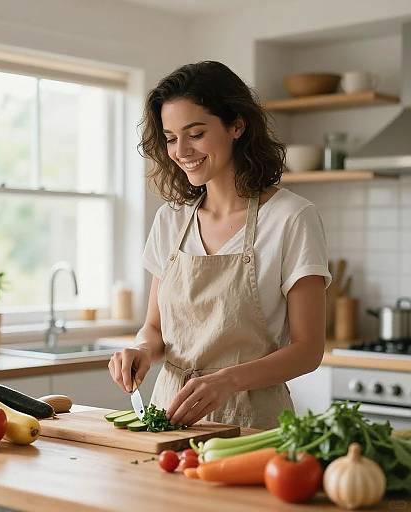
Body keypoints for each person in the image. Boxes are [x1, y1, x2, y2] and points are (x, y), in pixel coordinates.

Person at [108, 61, 331, 430]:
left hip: (253, 423)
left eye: (195, 133)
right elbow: (154, 327)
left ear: (236, 126)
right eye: (170, 137)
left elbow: (309, 351)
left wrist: (228, 380)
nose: (181, 150)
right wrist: (142, 350)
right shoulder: (171, 219)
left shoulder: (292, 217)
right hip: (170, 415)